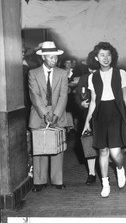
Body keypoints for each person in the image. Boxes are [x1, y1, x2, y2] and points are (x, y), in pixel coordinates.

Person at [82, 42, 126, 198]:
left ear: (113, 56)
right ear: (97, 58)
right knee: (103, 151)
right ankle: (105, 184)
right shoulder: (93, 77)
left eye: (108, 54)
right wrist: (86, 122)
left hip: (116, 113)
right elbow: (93, 101)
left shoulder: (121, 73)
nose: (106, 58)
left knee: (116, 153)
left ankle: (119, 168)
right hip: (100, 115)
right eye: (102, 55)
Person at [28, 41, 68, 192]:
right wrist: (44, 113)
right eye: (51, 57)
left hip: (58, 113)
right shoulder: (33, 73)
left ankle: (57, 180)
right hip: (39, 114)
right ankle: (39, 181)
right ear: (43, 57)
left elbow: (64, 96)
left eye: (56, 58)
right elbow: (34, 95)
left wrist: (56, 114)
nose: (54, 60)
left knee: (57, 147)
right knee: (40, 147)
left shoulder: (62, 73)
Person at [75, 51, 100, 185]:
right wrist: (81, 103)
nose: (93, 71)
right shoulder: (84, 78)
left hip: (104, 116)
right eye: (91, 68)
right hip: (88, 117)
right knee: (89, 143)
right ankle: (91, 173)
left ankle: (104, 172)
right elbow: (77, 96)